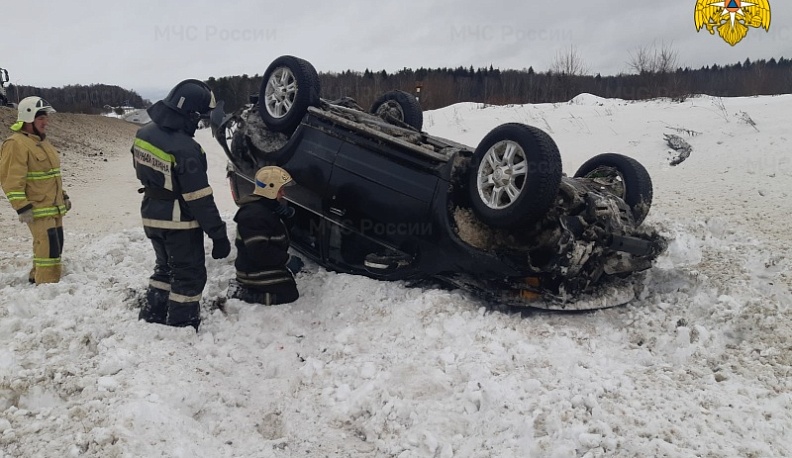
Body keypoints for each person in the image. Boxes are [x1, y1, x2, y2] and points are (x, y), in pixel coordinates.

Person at [131, 79, 231, 330]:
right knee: (188, 275)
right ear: (188, 113)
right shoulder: (187, 149)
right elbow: (199, 198)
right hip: (178, 223)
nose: (198, 125)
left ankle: (153, 314)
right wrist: (218, 235)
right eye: (199, 119)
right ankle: (181, 326)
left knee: (164, 269)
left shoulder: (143, 133)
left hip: (151, 214)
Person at [0, 97, 70, 284]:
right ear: (28, 118)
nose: (45, 122)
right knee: (48, 249)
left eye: (45, 117)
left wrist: (63, 197)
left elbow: (51, 175)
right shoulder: (16, 144)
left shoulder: (42, 142)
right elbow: (10, 180)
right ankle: (47, 285)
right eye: (41, 118)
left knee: (54, 245)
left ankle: (36, 276)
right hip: (37, 209)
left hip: (54, 207)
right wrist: (22, 207)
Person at [229, 166, 302, 305]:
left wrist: (288, 217)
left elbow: (277, 233)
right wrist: (287, 259)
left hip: (261, 265)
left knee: (286, 282)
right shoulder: (253, 216)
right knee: (289, 294)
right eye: (280, 190)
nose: (283, 193)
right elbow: (259, 251)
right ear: (271, 189)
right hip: (252, 270)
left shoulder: (266, 209)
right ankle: (244, 293)